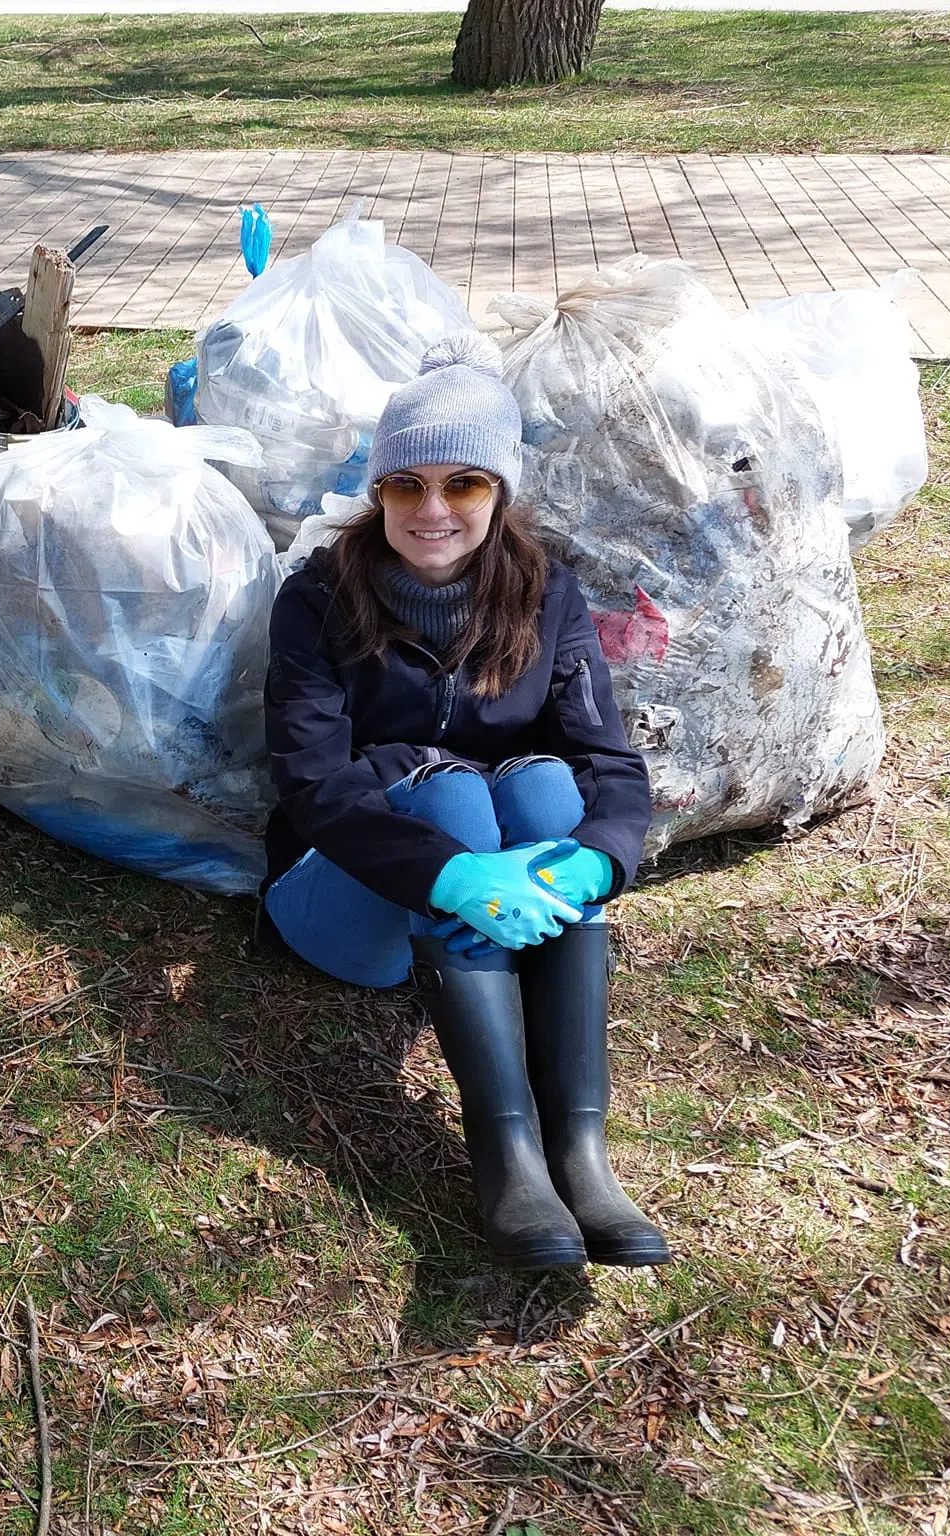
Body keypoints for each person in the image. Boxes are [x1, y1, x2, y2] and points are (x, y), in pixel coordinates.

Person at [261, 334, 668, 1270]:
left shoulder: (545, 592)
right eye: (407, 484)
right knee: (454, 804)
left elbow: (608, 758)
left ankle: (581, 1151)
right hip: (344, 902)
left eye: (465, 484)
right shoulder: (318, 598)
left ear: (502, 490)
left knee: (546, 785)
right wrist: (447, 873)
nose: (433, 509)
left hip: (479, 894)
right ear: (378, 489)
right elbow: (313, 785)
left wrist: (599, 854)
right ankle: (507, 1155)